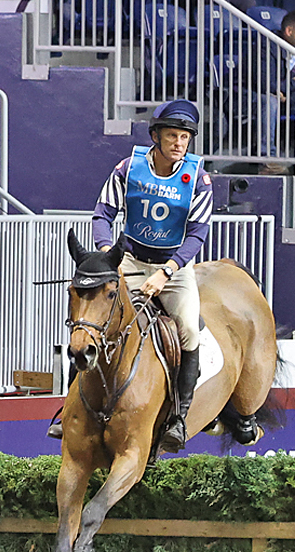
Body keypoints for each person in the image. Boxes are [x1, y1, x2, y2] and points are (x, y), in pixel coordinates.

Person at [87, 100, 213, 450]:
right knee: (94, 321)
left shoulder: (198, 179)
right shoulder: (128, 168)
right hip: (128, 260)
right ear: (156, 136)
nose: (179, 143)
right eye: (172, 135)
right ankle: (72, 409)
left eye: (185, 137)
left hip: (173, 268)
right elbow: (103, 213)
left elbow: (197, 234)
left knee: (188, 329)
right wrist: (104, 253)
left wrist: (166, 273)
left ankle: (178, 418)